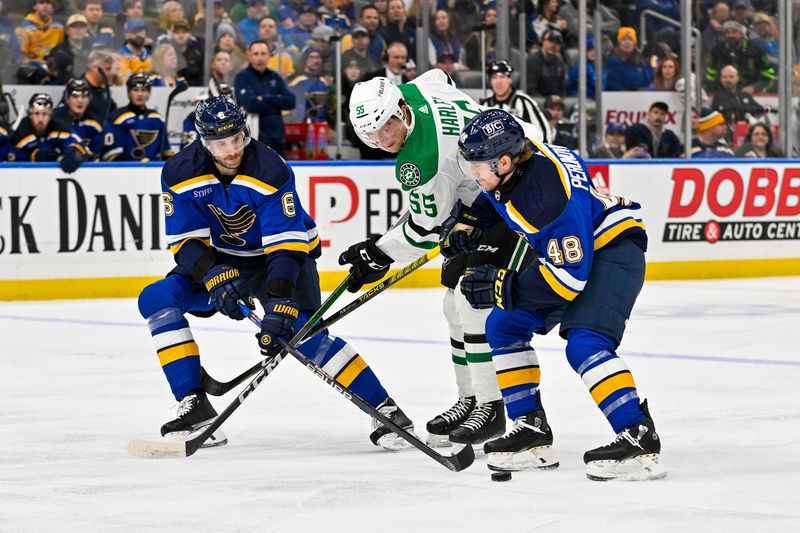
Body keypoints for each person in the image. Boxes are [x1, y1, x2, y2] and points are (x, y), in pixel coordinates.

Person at [136, 95, 415, 451]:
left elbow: (285, 244)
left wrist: (281, 299)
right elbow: (185, 240)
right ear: (204, 142)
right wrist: (212, 274)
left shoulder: (269, 168)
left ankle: (385, 409)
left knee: (303, 333)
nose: (232, 149)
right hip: (225, 261)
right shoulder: (178, 172)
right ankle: (195, 405)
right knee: (156, 298)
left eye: (237, 138)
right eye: (221, 143)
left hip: (283, 261)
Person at [447, 108, 664, 481]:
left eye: (477, 166)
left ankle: (638, 435)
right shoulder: (520, 163)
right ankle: (530, 432)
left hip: (613, 252)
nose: (472, 174)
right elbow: (502, 197)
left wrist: (505, 285)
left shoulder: (548, 202)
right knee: (503, 324)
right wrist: (476, 219)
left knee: (585, 343)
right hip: (582, 247)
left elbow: (567, 281)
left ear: (503, 161)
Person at [344, 72, 546, 450]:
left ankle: (492, 406)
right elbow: (443, 76)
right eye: (370, 136)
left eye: (387, 126)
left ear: (401, 110)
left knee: (472, 302)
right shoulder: (417, 87)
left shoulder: (422, 160)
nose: (383, 140)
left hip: (513, 189)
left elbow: (424, 231)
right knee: (452, 306)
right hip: (484, 193)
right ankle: (471, 397)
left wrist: (378, 253)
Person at [234, 40, 296, 156]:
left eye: (263, 54)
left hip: (277, 138)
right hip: (254, 139)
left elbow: (290, 101)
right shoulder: (242, 78)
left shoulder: (275, 77)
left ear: (269, 56)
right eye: (256, 54)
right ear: (249, 56)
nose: (260, 58)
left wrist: (264, 98)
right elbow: (251, 105)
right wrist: (277, 102)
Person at [6, 93, 88, 174]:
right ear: (30, 115)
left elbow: (80, 145)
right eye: (36, 113)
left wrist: (76, 151)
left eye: (44, 114)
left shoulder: (58, 127)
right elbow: (8, 155)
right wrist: (32, 156)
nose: (40, 119)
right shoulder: (20, 130)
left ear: (51, 115)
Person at [101, 73, 171, 161]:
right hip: (125, 171)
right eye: (135, 90)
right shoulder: (117, 118)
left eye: (144, 90)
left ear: (149, 93)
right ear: (129, 93)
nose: (140, 94)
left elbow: (166, 151)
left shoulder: (158, 119)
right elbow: (111, 155)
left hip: (152, 171)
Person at [480, 60, 549, 141]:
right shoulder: (483, 104)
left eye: (502, 77)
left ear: (510, 79)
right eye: (494, 77)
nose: (498, 82)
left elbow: (543, 131)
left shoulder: (524, 102)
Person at [705, 20, 774, 93]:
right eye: (728, 32)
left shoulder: (755, 50)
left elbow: (768, 73)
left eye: (734, 32)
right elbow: (711, 74)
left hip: (752, 92)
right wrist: (713, 88)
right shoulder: (717, 50)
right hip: (724, 91)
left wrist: (754, 87)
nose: (731, 35)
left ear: (742, 34)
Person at [53, 78, 104, 158]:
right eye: (75, 96)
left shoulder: (95, 124)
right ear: (67, 99)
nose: (80, 100)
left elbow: (96, 155)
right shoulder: (54, 119)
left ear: (89, 100)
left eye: (84, 96)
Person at [710, 65, 764, 130]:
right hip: (726, 132)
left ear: (737, 78)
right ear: (721, 79)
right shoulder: (717, 97)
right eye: (725, 77)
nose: (728, 80)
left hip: (746, 131)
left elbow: (760, 109)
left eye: (731, 77)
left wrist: (748, 113)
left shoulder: (744, 95)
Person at [16, 0, 64, 65]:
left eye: (48, 3)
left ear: (53, 7)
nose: (45, 6)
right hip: (30, 68)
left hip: (53, 68)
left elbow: (61, 51)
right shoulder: (23, 29)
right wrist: (35, 63)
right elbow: (19, 57)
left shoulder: (59, 27)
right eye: (41, 2)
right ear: (34, 6)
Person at [604, 27, 652, 92]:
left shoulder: (640, 62)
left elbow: (647, 82)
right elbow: (613, 85)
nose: (627, 42)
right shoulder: (613, 62)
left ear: (634, 44)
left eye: (630, 39)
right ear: (619, 43)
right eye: (623, 39)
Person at [82, 47, 119, 124]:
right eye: (107, 69)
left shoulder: (104, 91)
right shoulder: (78, 88)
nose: (110, 73)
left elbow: (114, 112)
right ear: (94, 67)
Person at [526, 29, 567, 98]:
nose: (553, 45)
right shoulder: (532, 60)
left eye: (557, 43)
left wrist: (559, 99)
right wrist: (547, 101)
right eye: (550, 41)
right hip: (537, 100)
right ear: (543, 41)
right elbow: (530, 89)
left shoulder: (559, 61)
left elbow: (562, 86)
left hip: (555, 102)